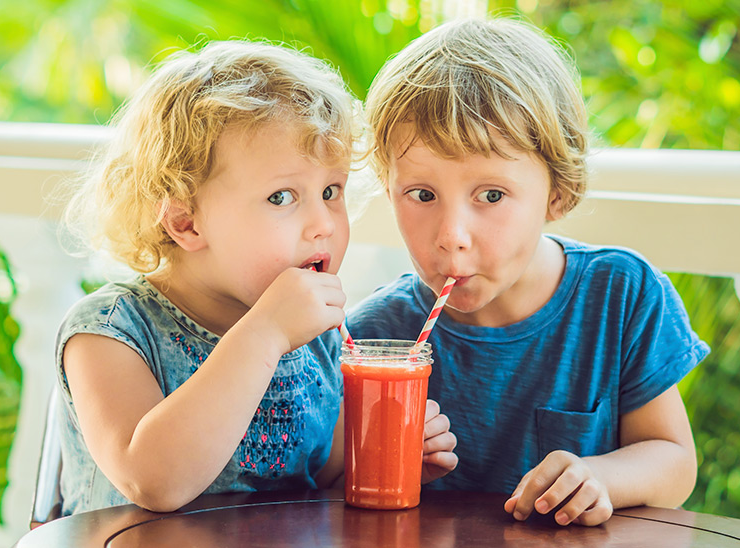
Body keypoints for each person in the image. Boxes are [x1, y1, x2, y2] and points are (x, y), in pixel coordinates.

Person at [55, 39, 457, 516]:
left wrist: (389, 455)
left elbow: (320, 476)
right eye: (282, 197)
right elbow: (154, 481)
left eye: (331, 190)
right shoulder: (111, 333)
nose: (324, 223)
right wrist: (265, 333)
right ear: (186, 222)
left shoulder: (315, 337)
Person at [348, 18, 709, 527]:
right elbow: (328, 491)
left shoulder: (620, 296)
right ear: (390, 191)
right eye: (422, 195)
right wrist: (389, 464)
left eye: (491, 196)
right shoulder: (376, 341)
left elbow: (674, 460)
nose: (451, 234)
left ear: (556, 192)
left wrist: (600, 476)